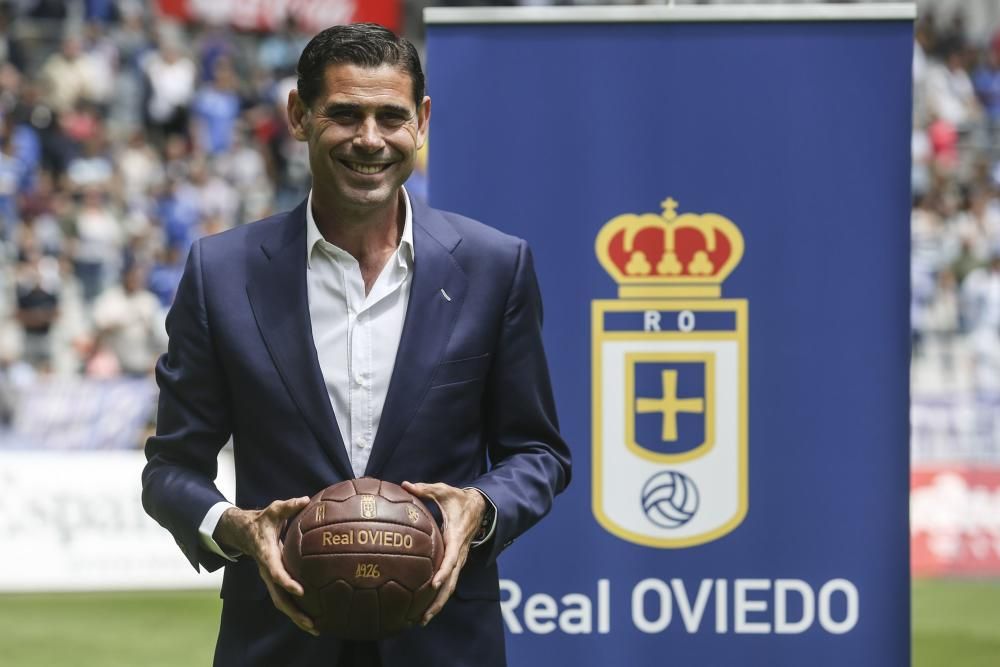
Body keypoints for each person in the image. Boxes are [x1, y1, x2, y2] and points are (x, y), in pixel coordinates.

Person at [141, 23, 571, 667]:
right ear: (299, 116)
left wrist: (478, 508)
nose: (370, 139)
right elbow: (170, 471)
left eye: (390, 116)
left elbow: (538, 453)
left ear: (421, 122)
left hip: (446, 642)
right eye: (345, 114)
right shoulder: (220, 273)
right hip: (277, 643)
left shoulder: (494, 266)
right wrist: (238, 528)